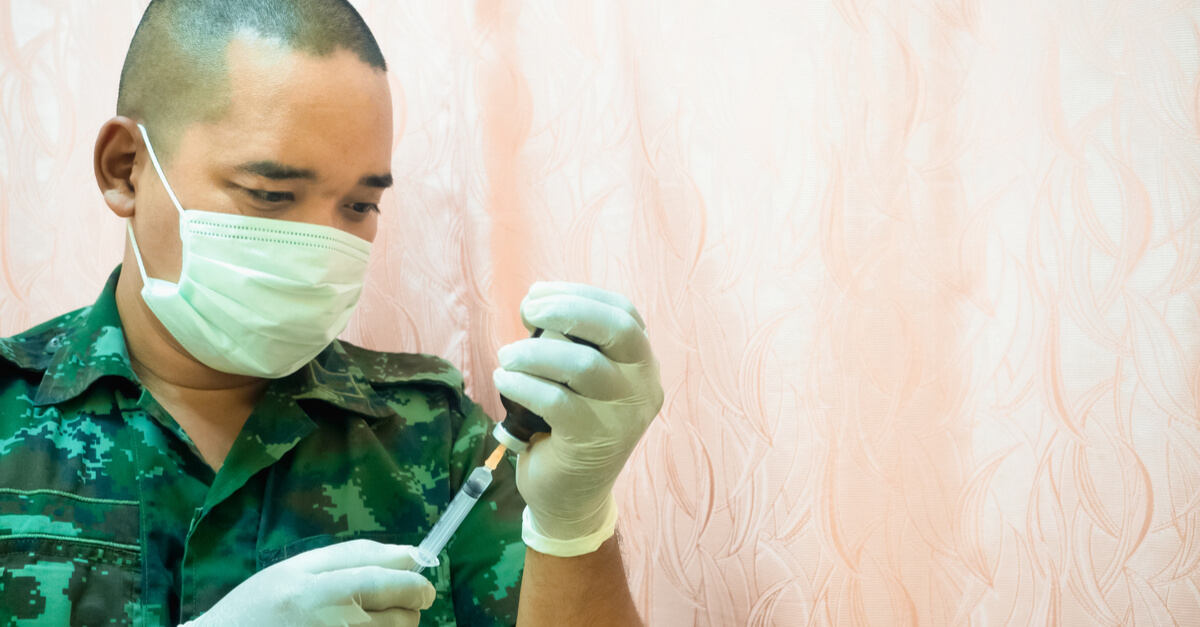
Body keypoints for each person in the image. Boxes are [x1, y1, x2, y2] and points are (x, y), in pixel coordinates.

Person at [0, 1, 663, 625]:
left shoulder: (437, 435)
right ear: (126, 169)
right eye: (271, 192)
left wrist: (573, 524)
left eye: (357, 206)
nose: (322, 249)